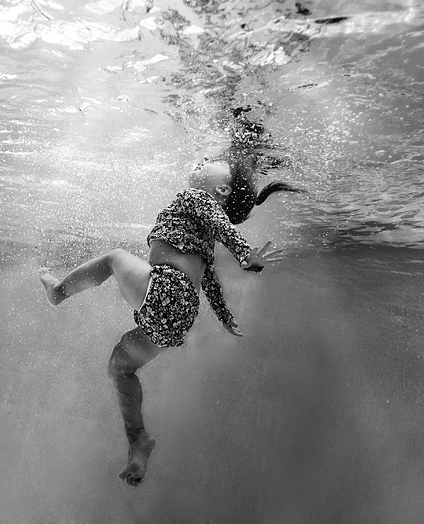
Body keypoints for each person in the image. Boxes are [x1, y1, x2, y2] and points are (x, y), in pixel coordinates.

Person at [39, 157, 300, 486]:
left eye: (213, 162)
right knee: (120, 365)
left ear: (220, 188)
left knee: (115, 257)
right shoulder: (203, 239)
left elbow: (222, 226)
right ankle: (138, 441)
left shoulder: (197, 198)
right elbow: (210, 283)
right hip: (178, 316)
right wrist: (224, 316)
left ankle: (59, 292)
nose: (204, 160)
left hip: (164, 291)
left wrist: (245, 253)